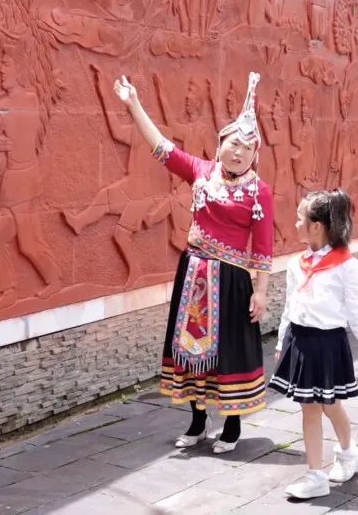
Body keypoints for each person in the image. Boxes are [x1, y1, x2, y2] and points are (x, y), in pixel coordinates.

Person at [111, 72, 275, 454]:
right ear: (220, 145)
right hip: (194, 276)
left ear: (254, 156)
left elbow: (264, 247)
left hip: (233, 282)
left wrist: (262, 292)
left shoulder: (258, 191)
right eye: (233, 144)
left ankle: (232, 424)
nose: (238, 152)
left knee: (228, 351)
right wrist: (134, 104)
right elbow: (162, 150)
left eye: (247, 149)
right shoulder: (201, 172)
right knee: (189, 349)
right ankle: (198, 421)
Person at [271, 189, 358, 499]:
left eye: (301, 219)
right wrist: (283, 339)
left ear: (317, 227)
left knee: (330, 404)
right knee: (309, 408)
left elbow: (356, 313)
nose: (295, 224)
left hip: (327, 344)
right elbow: (290, 304)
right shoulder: (297, 264)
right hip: (301, 339)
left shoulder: (349, 268)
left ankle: (348, 452)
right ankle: (315, 475)